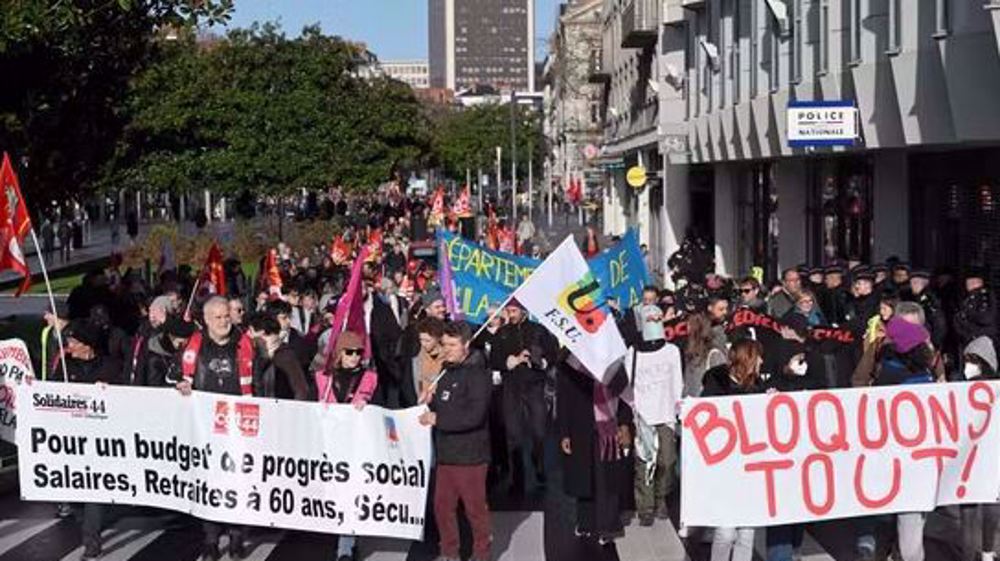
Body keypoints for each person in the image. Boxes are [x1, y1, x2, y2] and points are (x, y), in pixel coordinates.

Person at [177, 296, 255, 561]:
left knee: (236, 480)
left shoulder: (244, 343)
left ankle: (236, 536)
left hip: (238, 424)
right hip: (206, 425)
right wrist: (183, 386)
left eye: (226, 316)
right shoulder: (196, 344)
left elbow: (255, 382)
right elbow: (179, 376)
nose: (224, 322)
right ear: (207, 319)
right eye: (218, 317)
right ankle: (210, 539)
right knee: (209, 481)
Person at [419, 322, 492, 561]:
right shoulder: (447, 370)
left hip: (470, 455)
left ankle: (482, 554)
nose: (447, 349)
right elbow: (446, 406)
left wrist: (438, 418)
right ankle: (450, 552)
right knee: (442, 507)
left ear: (466, 345)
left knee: (475, 510)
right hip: (447, 454)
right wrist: (430, 400)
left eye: (452, 345)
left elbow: (474, 416)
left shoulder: (478, 374)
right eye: (445, 344)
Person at [55, 320, 126, 561]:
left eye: (73, 342)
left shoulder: (112, 367)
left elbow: (129, 399)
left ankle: (91, 541)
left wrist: (111, 393)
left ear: (88, 345)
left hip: (100, 444)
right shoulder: (64, 367)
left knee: (94, 491)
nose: (69, 346)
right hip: (70, 443)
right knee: (76, 497)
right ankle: (83, 520)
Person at [558, 351, 632, 546]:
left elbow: (624, 395)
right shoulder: (569, 362)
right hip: (579, 428)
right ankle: (585, 522)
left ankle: (608, 525)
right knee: (583, 476)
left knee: (607, 478)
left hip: (608, 430)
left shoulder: (612, 362)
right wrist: (564, 432)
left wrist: (624, 424)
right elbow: (563, 398)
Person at [315, 330, 377, 561]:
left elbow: (377, 403)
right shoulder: (323, 376)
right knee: (334, 495)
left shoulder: (369, 376)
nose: (354, 357)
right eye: (349, 352)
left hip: (356, 445)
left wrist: (366, 402)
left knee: (350, 493)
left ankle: (345, 547)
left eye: (359, 352)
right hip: (329, 443)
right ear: (339, 353)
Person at [703, 339, 764, 561]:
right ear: (746, 359)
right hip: (725, 470)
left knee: (747, 534)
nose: (762, 361)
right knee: (726, 533)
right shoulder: (715, 384)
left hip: (751, 470)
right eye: (757, 356)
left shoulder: (760, 386)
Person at [624, 304, 682, 526]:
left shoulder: (672, 351)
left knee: (667, 461)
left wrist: (677, 409)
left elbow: (677, 380)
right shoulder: (633, 353)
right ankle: (646, 507)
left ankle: (660, 498)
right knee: (645, 462)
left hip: (665, 414)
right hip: (643, 416)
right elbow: (628, 384)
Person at [490, 301, 557, 492]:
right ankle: (517, 478)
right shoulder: (503, 333)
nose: (511, 315)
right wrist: (510, 361)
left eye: (514, 311)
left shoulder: (538, 330)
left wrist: (541, 362)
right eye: (509, 311)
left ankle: (539, 468)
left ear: (523, 311)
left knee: (539, 431)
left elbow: (552, 353)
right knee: (513, 434)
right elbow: (494, 359)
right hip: (511, 386)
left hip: (534, 385)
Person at [682, 313, 728, 398]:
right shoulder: (690, 353)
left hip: (708, 404)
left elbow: (723, 385)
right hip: (692, 404)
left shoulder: (714, 354)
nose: (686, 328)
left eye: (689, 325)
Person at [955, 266, 996, 348]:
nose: (968, 284)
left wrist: (966, 315)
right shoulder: (968, 298)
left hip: (982, 341)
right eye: (968, 281)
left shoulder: (983, 296)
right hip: (971, 340)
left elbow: (986, 318)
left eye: (972, 281)